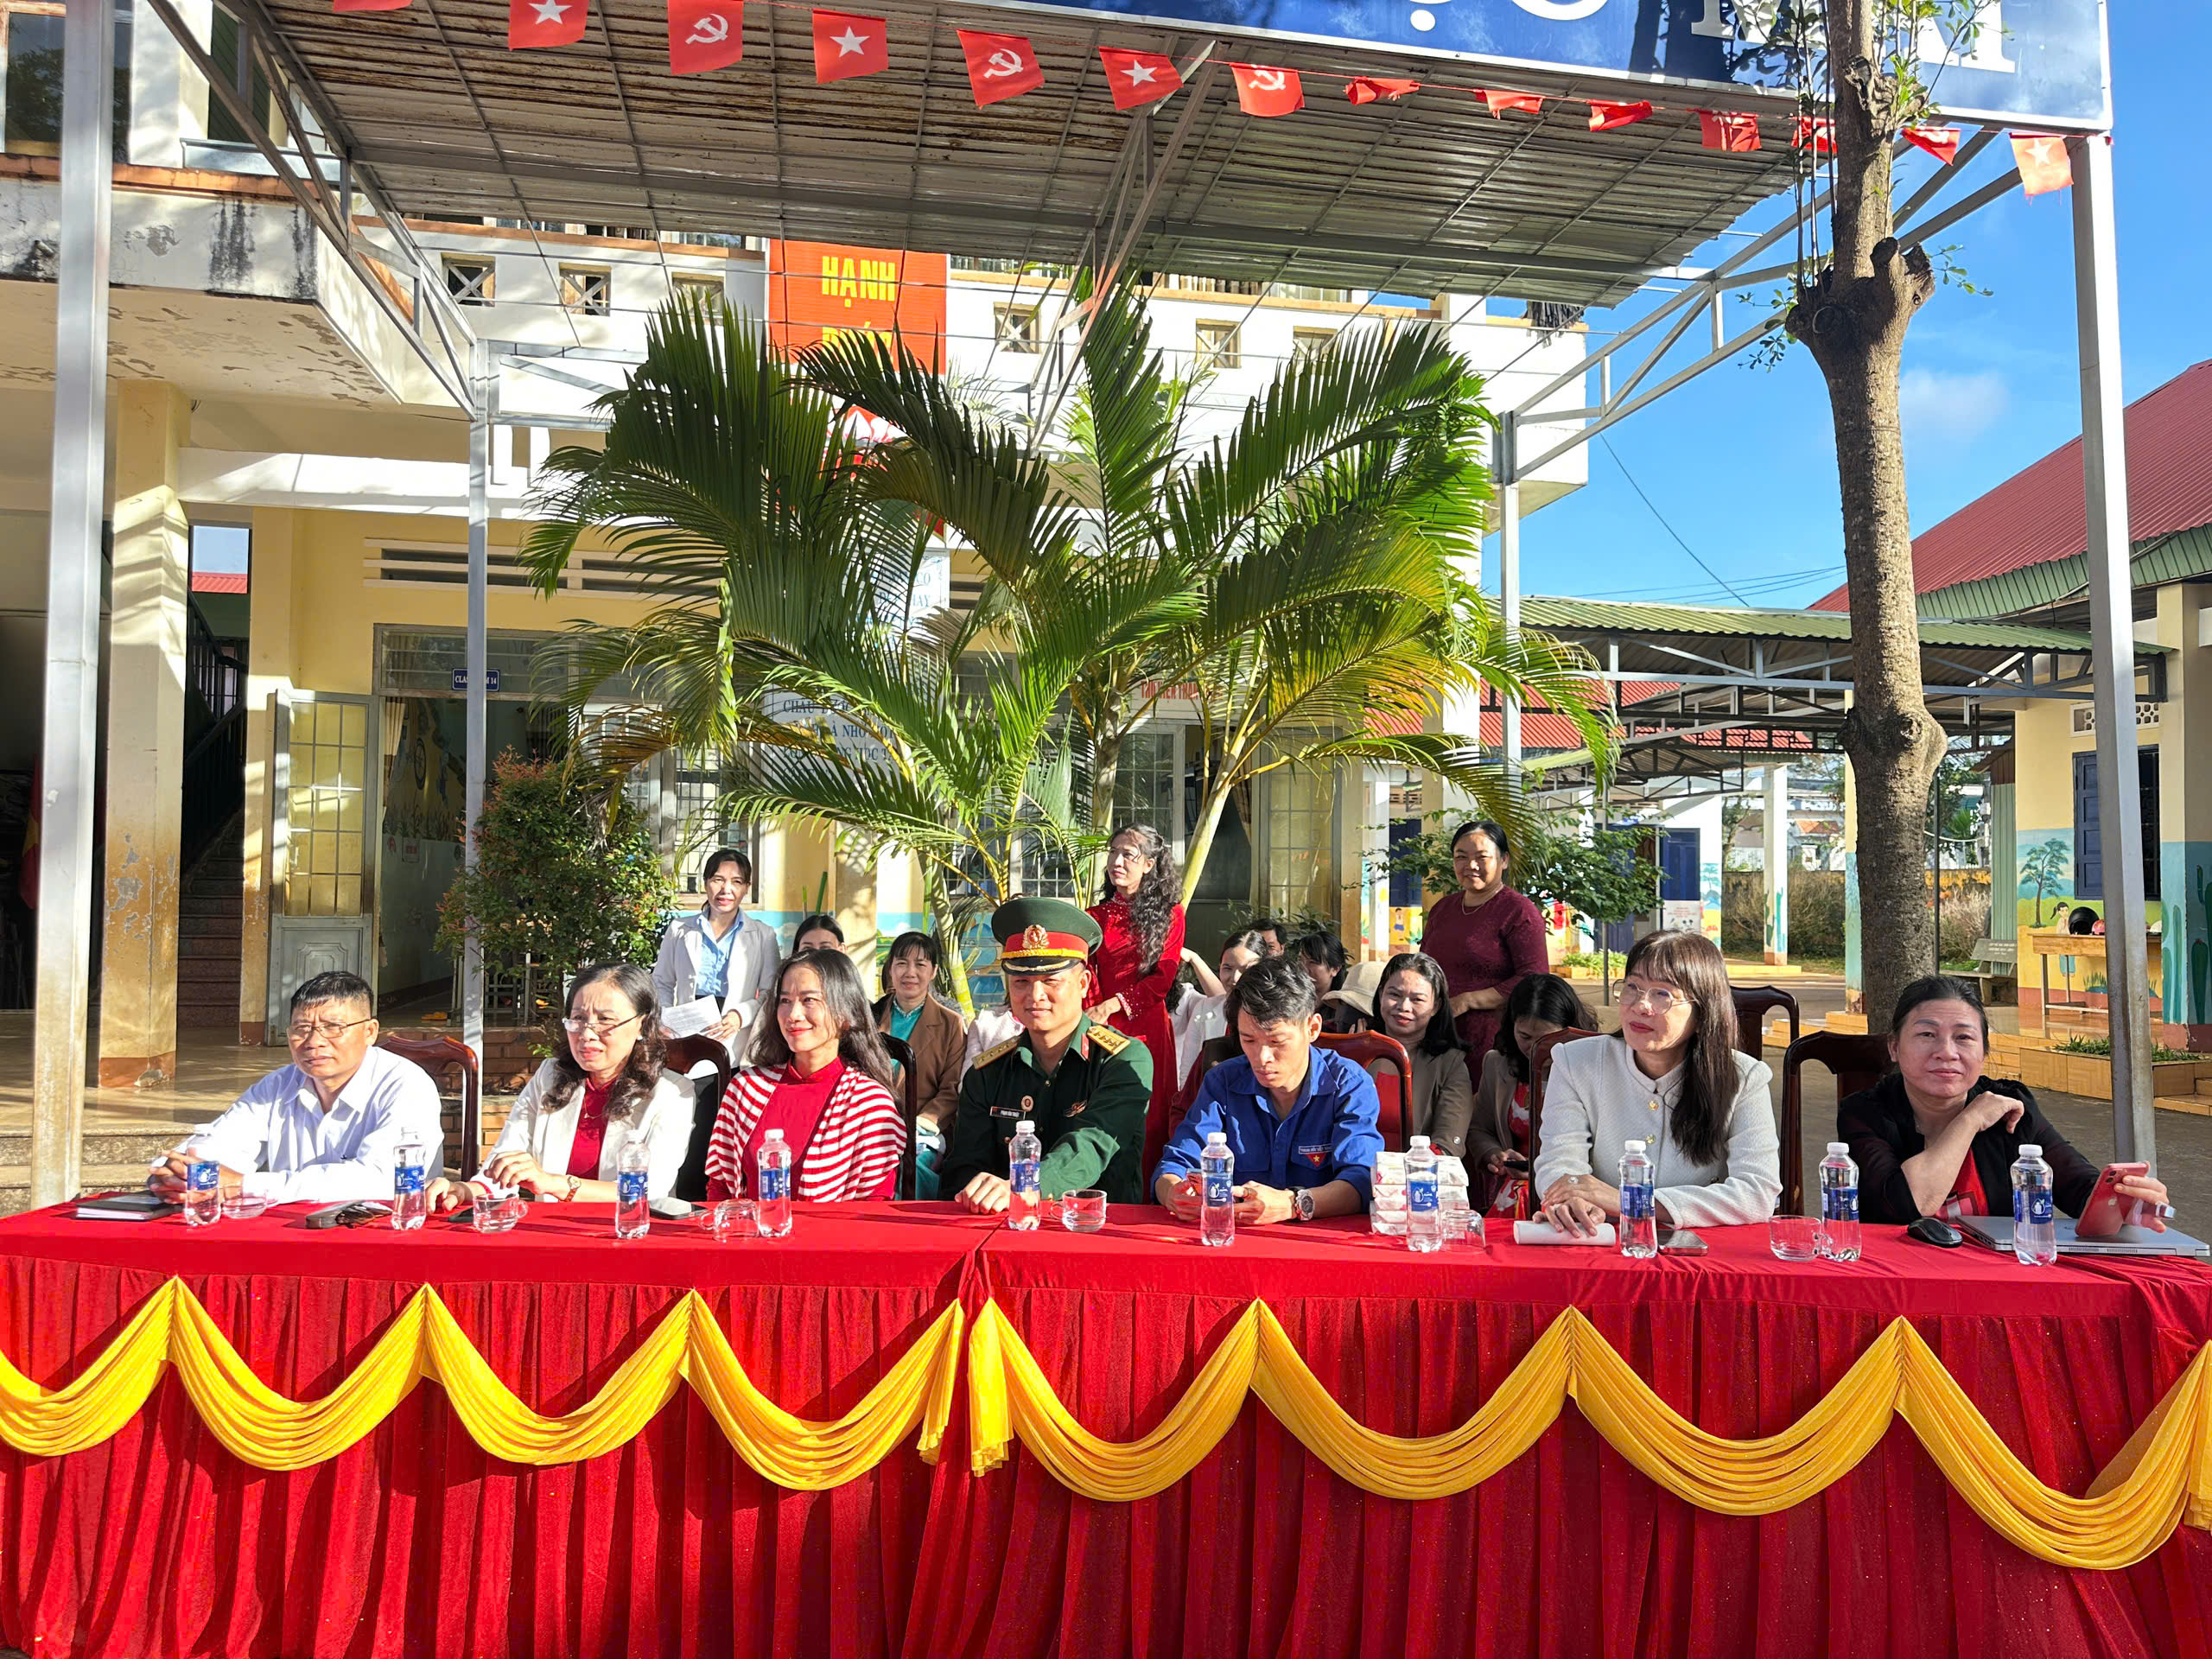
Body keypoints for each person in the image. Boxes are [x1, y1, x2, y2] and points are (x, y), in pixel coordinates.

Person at [1837, 975, 2172, 1227]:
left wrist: (2124, 1203)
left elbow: (2078, 1188)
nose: (1947, 1052)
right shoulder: (1864, 1112)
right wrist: (1969, 1120)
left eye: (1964, 1037)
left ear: (1984, 1051)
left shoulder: (2011, 1106)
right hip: (1899, 1284)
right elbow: (1905, 1205)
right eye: (1927, 1035)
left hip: (1995, 1281)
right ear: (1894, 1048)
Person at [1535, 931, 1780, 1233]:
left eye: (1662, 994)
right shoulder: (1576, 1062)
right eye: (1632, 987)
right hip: (1603, 1238)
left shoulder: (1743, 1077)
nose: (1641, 1005)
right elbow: (1559, 1163)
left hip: (1702, 1247)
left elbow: (1757, 1192)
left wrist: (1629, 1201)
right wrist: (1574, 1201)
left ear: (1703, 1011)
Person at [148, 970, 444, 1204]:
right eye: (301, 1029)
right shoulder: (277, 1086)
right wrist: (177, 1174)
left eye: (333, 1027)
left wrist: (243, 1185)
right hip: (291, 1232)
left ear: (370, 1031)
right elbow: (215, 1146)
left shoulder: (406, 1085)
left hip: (385, 1236)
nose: (314, 1041)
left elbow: (383, 1179)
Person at [941, 898, 1153, 1208]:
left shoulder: (1123, 1060)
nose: (1035, 996)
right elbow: (965, 1166)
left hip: (1096, 1225)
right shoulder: (987, 1073)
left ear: (1083, 983)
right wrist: (976, 1194)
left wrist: (1026, 1187)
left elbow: (1091, 1146)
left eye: (1051, 980)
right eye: (1021, 982)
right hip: (1007, 1225)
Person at [429, 963, 691, 1211]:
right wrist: (463, 1190)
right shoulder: (550, 1076)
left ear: (642, 1025)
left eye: (605, 1020)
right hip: (552, 1231)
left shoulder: (672, 1093)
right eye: (578, 1018)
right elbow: (506, 1160)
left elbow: (649, 1189)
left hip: (628, 1230)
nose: (586, 1034)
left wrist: (554, 1184)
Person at [1154, 956, 1382, 1225]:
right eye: (1249, 1040)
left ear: (1312, 1028)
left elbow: (1360, 1180)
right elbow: (1176, 1162)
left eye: (1276, 1041)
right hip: (1235, 1234)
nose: (1262, 1058)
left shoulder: (1348, 1083)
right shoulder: (1222, 1081)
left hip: (1322, 1237)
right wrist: (1174, 1193)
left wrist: (1293, 1204)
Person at [705, 950, 906, 1203]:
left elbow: (874, 1207)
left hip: (836, 1231)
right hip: (751, 1229)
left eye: (809, 1000)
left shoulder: (869, 1103)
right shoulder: (746, 1089)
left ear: (845, 1014)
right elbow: (720, 1189)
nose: (793, 1015)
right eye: (785, 1000)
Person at [1086, 823, 1186, 1148]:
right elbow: (1086, 976)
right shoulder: (1093, 917)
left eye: (1128, 854)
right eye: (1113, 852)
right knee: (1102, 1109)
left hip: (1149, 1025)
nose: (1117, 861)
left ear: (1148, 864)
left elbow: (1162, 980)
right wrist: (1094, 1015)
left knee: (1151, 1115)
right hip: (1101, 1025)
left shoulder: (1172, 914)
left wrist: (1112, 1005)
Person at [1421, 820, 1549, 1059]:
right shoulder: (1442, 909)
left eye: (1482, 857)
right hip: (1436, 1034)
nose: (1470, 865)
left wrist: (1468, 1001)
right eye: (1461, 857)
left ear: (1504, 860)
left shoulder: (1519, 911)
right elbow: (1423, 967)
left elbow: (1534, 980)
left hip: (1492, 1042)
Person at [1468, 974, 1594, 1213]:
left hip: (1579, 1194)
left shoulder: (1593, 1068)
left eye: (1548, 1039)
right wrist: (1496, 1155)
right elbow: (1480, 1129)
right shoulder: (1498, 1065)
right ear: (1511, 1027)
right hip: (1517, 1194)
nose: (1536, 1048)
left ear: (1571, 1031)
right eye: (1525, 1036)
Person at [652, 847, 780, 1049]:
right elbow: (661, 982)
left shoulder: (764, 935)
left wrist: (741, 1015)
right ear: (705, 883)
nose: (726, 890)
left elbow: (770, 992)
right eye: (718, 880)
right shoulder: (679, 929)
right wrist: (665, 1019)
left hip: (736, 1037)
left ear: (747, 887)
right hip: (685, 1033)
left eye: (737, 882)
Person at [874, 930, 968, 1198]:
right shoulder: (870, 1017)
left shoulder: (950, 1023)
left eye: (920, 964)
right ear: (891, 969)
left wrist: (920, 1125)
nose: (910, 973)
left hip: (926, 1131)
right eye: (902, 963)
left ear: (934, 971)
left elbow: (951, 1090)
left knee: (909, 1169)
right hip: (874, 1125)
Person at [1370, 952, 1475, 1159]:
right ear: (1381, 994)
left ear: (1436, 1006)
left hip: (1418, 1173)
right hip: (1355, 1172)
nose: (1403, 1007)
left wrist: (1407, 1170)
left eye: (1417, 999)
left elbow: (1448, 1141)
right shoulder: (1356, 1052)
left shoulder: (1450, 1064)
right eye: (1394, 995)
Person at [1173, 929, 1267, 1084]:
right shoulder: (1204, 1009)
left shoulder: (1273, 1013)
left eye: (1246, 970)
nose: (1235, 978)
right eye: (1228, 968)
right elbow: (1188, 1074)